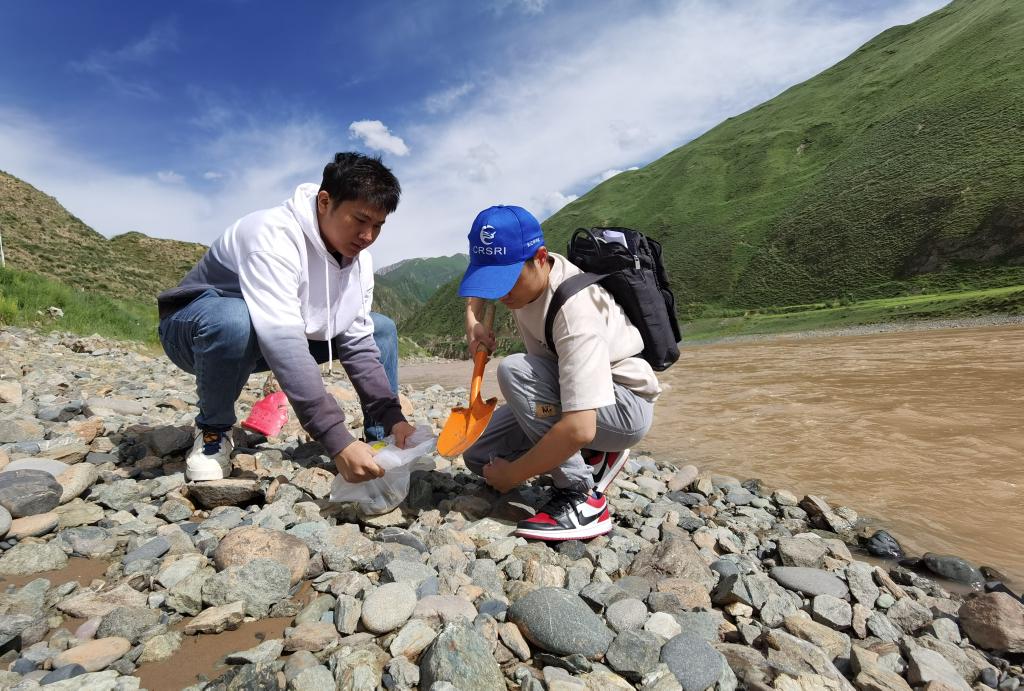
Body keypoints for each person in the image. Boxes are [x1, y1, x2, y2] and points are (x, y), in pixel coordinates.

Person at [157, 152, 415, 483]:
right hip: (197, 334)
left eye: (377, 226)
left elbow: (357, 343)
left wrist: (393, 416)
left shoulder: (359, 260)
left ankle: (382, 438)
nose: (368, 236)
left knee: (381, 329)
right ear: (325, 201)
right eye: (360, 220)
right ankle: (213, 430)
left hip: (267, 338)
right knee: (235, 318)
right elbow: (283, 342)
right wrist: (336, 439)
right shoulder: (271, 235)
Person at [458, 205, 661, 541]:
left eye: (506, 280)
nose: (500, 293)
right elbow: (477, 293)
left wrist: (513, 475)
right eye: (492, 281)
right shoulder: (526, 279)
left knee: (515, 371)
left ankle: (583, 498)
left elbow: (580, 428)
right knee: (480, 456)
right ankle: (595, 456)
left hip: (622, 405)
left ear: (540, 258)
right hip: (569, 390)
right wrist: (473, 323)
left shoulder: (575, 311)